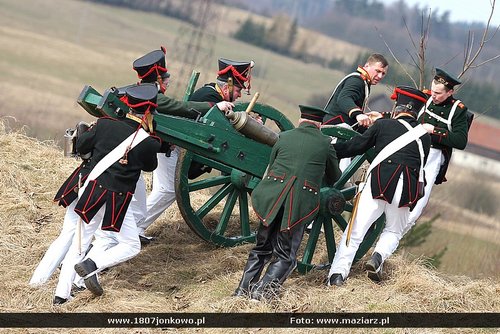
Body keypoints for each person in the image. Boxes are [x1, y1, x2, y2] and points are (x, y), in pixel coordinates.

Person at [52, 83, 162, 305]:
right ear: (148, 111)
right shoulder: (149, 143)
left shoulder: (103, 125)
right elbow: (150, 167)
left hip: (91, 192)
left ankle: (61, 296)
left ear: (128, 104)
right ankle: (93, 264)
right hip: (116, 201)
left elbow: (81, 143)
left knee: (79, 245)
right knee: (131, 245)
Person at [136, 57, 254, 241]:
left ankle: (136, 228)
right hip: (171, 149)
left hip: (170, 148)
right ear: (227, 87)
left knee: (163, 190)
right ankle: (134, 229)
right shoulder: (209, 98)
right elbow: (220, 132)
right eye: (238, 90)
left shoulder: (210, 94)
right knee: (167, 190)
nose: (239, 95)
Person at [233, 105, 341, 301]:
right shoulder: (325, 143)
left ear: (301, 121)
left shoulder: (285, 136)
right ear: (320, 125)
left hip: (272, 198)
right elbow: (334, 176)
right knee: (285, 254)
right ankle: (262, 292)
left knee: (261, 247)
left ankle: (243, 290)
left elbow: (272, 163)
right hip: (297, 203)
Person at [326, 86, 431, 286]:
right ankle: (378, 256)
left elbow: (355, 146)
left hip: (380, 182)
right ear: (417, 111)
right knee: (393, 231)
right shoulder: (424, 137)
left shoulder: (384, 125)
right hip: (407, 188)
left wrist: (330, 149)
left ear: (397, 106)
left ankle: (337, 275)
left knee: (355, 231)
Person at [400, 68, 470, 236]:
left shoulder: (458, 110)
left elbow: (461, 141)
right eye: (432, 91)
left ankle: (398, 232)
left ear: (450, 92)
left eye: (438, 93)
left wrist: (434, 131)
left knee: (418, 201)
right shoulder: (425, 97)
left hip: (433, 155)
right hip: (411, 148)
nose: (433, 95)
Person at [322, 53, 389, 171]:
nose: (380, 76)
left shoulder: (363, 82)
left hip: (343, 128)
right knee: (343, 162)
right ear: (367, 65)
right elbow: (344, 99)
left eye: (383, 73)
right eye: (377, 71)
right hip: (337, 129)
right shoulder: (357, 80)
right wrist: (358, 114)